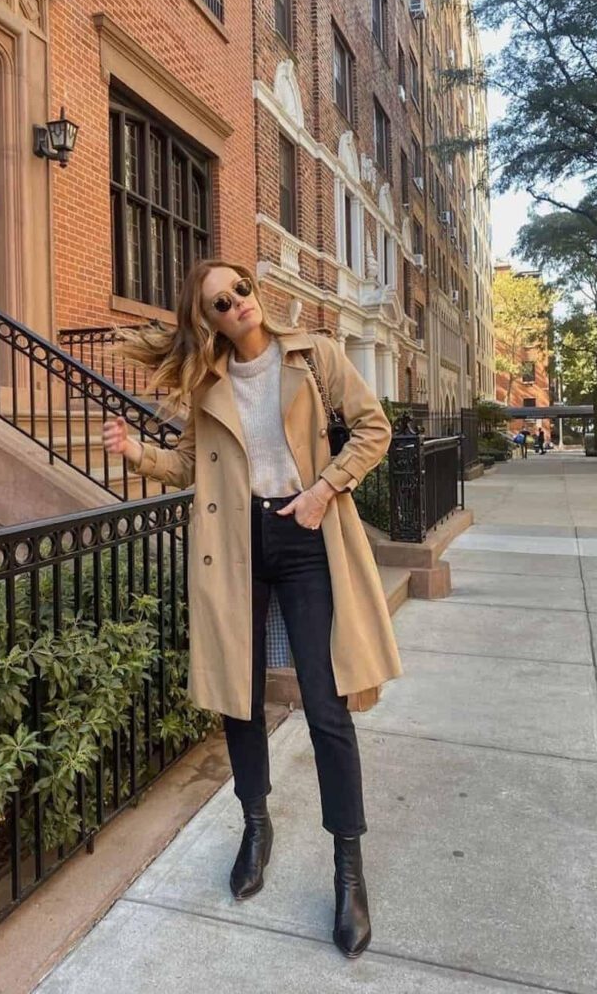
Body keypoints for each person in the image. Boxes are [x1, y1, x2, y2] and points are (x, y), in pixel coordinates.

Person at [103, 259, 402, 959]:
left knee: (326, 706)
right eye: (219, 302)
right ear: (206, 320)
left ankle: (348, 869)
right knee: (238, 698)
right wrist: (137, 452)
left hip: (306, 534)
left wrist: (324, 490)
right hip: (237, 542)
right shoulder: (209, 383)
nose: (236, 302)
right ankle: (256, 826)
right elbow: (189, 465)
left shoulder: (314, 355)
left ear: (254, 291)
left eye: (240, 289)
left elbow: (373, 428)